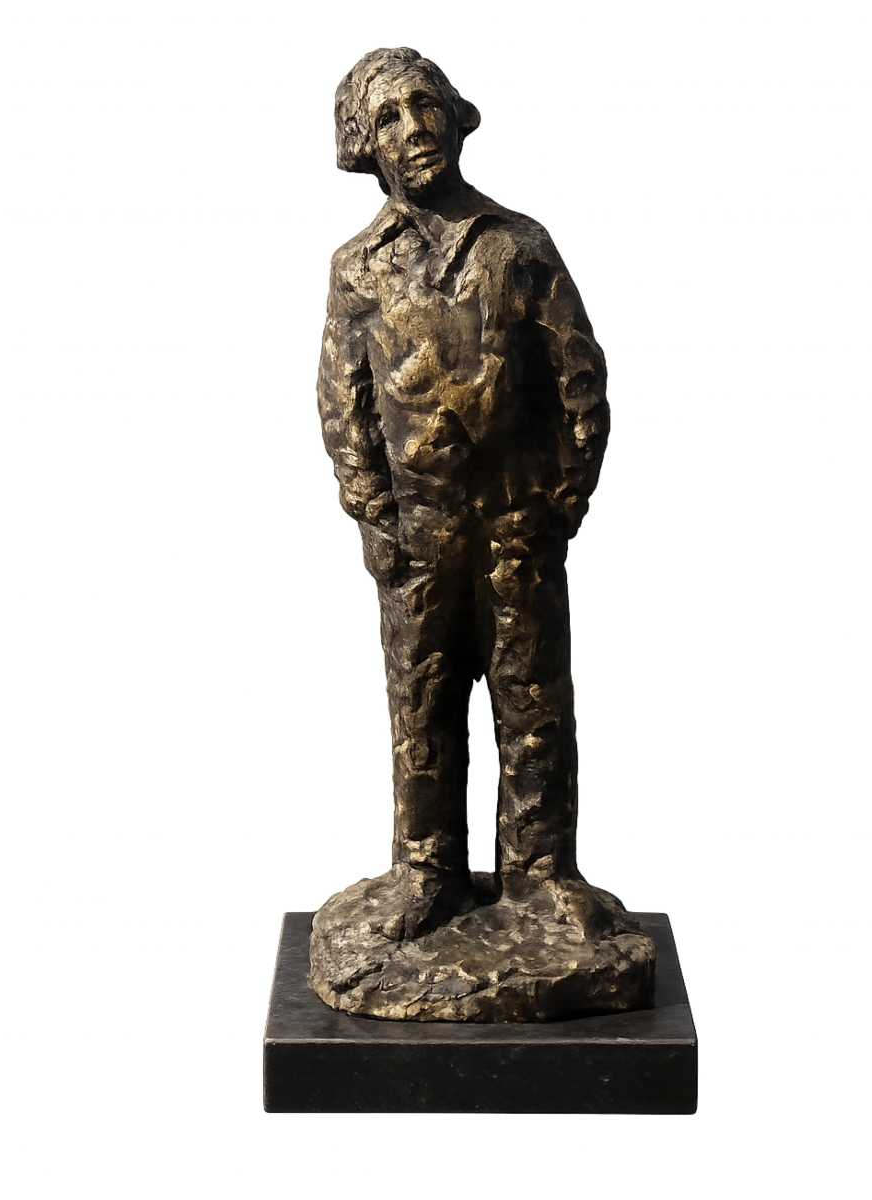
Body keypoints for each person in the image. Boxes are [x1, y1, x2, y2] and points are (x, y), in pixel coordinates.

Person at [316, 47, 612, 941]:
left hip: (518, 517)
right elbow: (341, 402)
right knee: (420, 695)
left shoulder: (518, 246)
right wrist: (371, 513)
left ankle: (540, 872)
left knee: (532, 689)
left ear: (456, 113)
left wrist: (562, 500)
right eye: (390, 117)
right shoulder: (357, 268)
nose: (416, 129)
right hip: (418, 528)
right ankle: (426, 869)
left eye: (427, 105)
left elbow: (581, 382)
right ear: (363, 145)